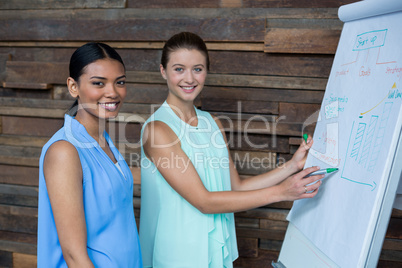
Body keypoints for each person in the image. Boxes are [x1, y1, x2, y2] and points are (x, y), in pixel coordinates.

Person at [139, 32, 322, 267]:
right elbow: (203, 201)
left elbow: (237, 187)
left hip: (214, 248)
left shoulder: (212, 123)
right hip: (179, 251)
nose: (189, 78)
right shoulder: (158, 130)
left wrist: (292, 166)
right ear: (163, 71)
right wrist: (282, 192)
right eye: (178, 69)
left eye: (197, 69)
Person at [37, 42, 142, 267]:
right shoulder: (64, 151)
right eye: (98, 83)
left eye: (120, 82)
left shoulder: (102, 141)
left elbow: (108, 182)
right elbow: (74, 256)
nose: (113, 92)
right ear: (73, 87)